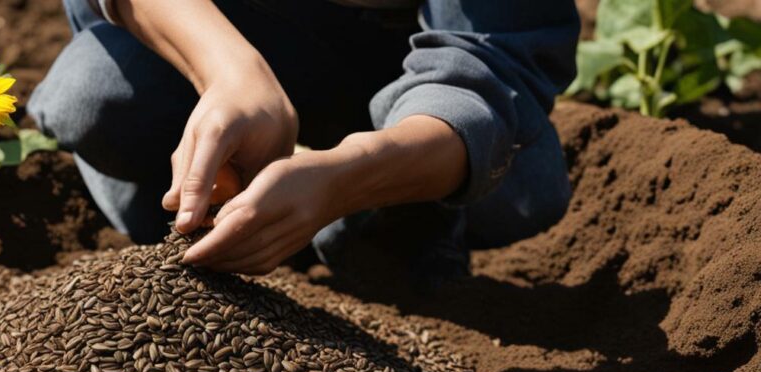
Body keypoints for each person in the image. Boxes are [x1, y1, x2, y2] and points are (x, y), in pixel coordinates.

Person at [29, 0, 579, 290]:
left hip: (389, 63)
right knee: (94, 92)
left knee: (519, 179)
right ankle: (235, 214)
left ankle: (358, 216)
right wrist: (229, 73)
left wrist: (348, 178)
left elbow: (491, 56)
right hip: (217, 32)